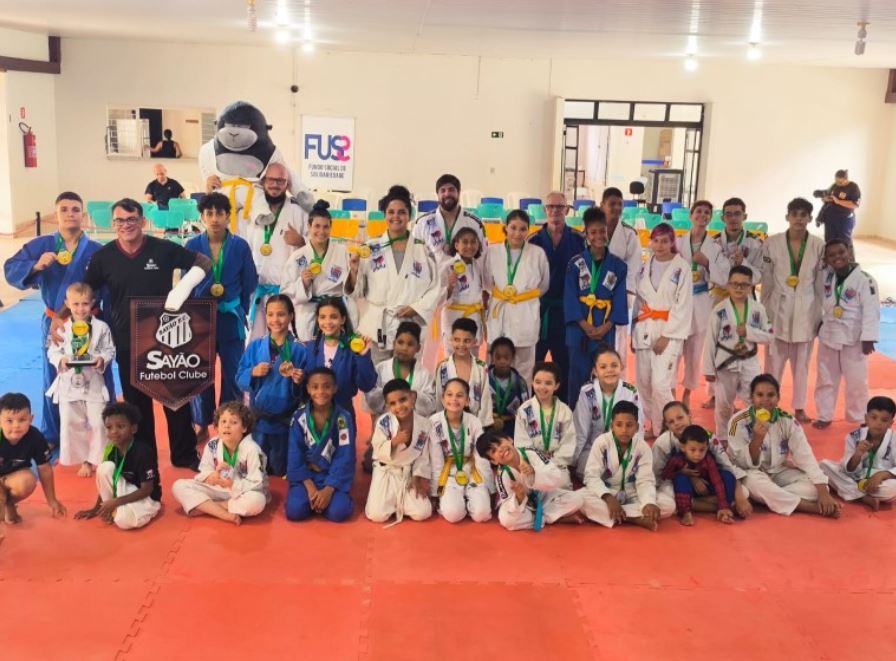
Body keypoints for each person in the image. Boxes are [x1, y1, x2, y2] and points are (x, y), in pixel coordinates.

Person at [58, 198, 211, 469]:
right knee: (136, 405)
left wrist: (182, 289)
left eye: (131, 219)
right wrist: (59, 317)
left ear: (142, 221)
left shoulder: (163, 248)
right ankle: (143, 457)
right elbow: (85, 293)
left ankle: (185, 454)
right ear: (113, 223)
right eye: (120, 220)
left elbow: (204, 262)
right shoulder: (103, 257)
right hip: (126, 339)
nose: (125, 225)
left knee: (175, 399)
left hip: (165, 336)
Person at [4, 191, 110, 457]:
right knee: (55, 375)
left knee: (99, 372)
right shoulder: (42, 245)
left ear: (83, 215)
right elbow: (11, 266)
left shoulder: (96, 250)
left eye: (75, 209)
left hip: (92, 321)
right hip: (55, 322)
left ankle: (107, 429)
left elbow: (110, 284)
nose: (70, 214)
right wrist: (35, 266)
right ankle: (52, 434)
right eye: (64, 209)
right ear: (56, 214)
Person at [185, 193, 257, 441]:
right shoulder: (192, 245)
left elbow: (249, 282)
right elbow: (185, 283)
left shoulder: (240, 246)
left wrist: (240, 309)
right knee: (200, 374)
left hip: (229, 317)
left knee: (232, 373)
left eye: (219, 213)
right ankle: (202, 424)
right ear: (202, 217)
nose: (214, 218)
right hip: (201, 318)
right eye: (209, 213)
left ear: (228, 216)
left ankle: (231, 423)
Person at [347, 186, 441, 364]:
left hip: (409, 326)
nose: (396, 217)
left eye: (401, 212)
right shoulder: (371, 247)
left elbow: (435, 287)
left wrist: (417, 307)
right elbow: (358, 291)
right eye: (391, 212)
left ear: (409, 216)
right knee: (375, 377)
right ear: (384, 215)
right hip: (376, 327)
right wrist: (354, 270)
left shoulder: (422, 249)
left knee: (406, 376)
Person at [728, 374, 840, 518]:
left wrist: (823, 493)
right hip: (751, 473)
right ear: (752, 397)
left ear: (778, 398)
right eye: (760, 395)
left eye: (771, 395)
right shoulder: (738, 422)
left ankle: (766, 498)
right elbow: (739, 463)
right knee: (754, 483)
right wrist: (757, 439)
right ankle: (809, 507)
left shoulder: (787, 421)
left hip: (779, 471)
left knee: (816, 488)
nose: (765, 400)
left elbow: (805, 456)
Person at [759, 198, 825, 422]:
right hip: (777, 307)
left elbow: (820, 283)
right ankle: (767, 405)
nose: (799, 218)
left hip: (806, 309)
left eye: (803, 214)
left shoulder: (818, 245)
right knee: (772, 364)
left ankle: (799, 407)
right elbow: (767, 279)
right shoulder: (772, 242)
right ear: (787, 217)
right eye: (795, 214)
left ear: (810, 218)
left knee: (802, 366)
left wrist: (820, 314)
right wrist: (764, 312)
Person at [46, 283, 116, 477]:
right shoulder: (61, 328)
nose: (80, 308)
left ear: (92, 303)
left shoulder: (101, 327)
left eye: (85, 303)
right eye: (75, 304)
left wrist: (102, 359)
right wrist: (61, 360)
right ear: (67, 303)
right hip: (69, 383)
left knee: (99, 422)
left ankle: (97, 460)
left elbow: (109, 350)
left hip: (93, 381)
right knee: (71, 422)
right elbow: (52, 351)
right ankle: (83, 460)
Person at [632, 223, 692, 437]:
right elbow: (639, 301)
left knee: (660, 385)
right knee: (644, 383)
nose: (660, 245)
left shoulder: (682, 268)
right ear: (650, 242)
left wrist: (667, 336)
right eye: (656, 240)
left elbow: (683, 305)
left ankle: (674, 427)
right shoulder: (645, 266)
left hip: (669, 330)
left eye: (665, 241)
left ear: (672, 242)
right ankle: (655, 425)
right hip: (644, 328)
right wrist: (633, 332)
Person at [563, 207, 629, 403]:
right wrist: (585, 325)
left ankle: (603, 415)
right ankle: (575, 417)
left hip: (604, 328)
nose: (598, 236)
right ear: (586, 234)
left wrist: (606, 327)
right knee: (577, 376)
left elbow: (620, 300)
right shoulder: (575, 264)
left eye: (602, 231)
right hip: (579, 329)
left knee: (605, 376)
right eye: (593, 232)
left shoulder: (618, 266)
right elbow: (569, 297)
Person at [236, 294, 306, 477]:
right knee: (257, 469)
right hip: (259, 421)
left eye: (281, 314)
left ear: (291, 316)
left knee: (280, 470)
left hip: (285, 423)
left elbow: (307, 391)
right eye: (271, 314)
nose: (275, 320)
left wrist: (299, 381)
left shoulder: (299, 350)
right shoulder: (255, 346)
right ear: (265, 316)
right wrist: (252, 372)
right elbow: (239, 377)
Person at [813, 239, 880, 429]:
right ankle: (824, 415)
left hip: (854, 337)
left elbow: (871, 310)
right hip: (829, 334)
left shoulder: (865, 280)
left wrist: (869, 337)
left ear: (849, 251)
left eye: (841, 252)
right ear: (827, 259)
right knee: (825, 378)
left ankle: (859, 416)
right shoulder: (827, 277)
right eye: (831, 255)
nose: (837, 257)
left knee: (856, 380)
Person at [704, 265, 774, 444]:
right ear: (728, 285)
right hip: (725, 362)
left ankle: (756, 436)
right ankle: (723, 437)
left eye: (744, 285)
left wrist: (749, 332)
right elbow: (710, 340)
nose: (739, 288)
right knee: (723, 404)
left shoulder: (758, 309)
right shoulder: (719, 309)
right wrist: (708, 369)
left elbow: (769, 336)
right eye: (735, 284)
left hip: (749, 360)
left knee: (756, 400)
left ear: (751, 287)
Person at [581, 400, 673, 531]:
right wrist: (608, 498)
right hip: (607, 491)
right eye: (619, 425)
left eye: (629, 425)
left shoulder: (642, 448)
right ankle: (635, 519)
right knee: (581, 500)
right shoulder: (602, 443)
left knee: (668, 505)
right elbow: (591, 476)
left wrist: (648, 502)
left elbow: (645, 480)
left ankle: (618, 515)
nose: (624, 430)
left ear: (637, 427)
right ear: (612, 426)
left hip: (632, 492)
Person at [171, 402, 269, 525]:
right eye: (223, 422)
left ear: (244, 428)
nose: (227, 426)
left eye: (234, 422)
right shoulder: (213, 444)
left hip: (241, 492)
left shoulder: (252, 449)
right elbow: (205, 470)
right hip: (218, 489)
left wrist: (233, 484)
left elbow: (257, 483)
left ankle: (208, 507)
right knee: (178, 486)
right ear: (217, 427)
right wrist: (212, 475)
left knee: (257, 502)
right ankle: (224, 513)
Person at [529, 191, 585, 401]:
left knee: (564, 365)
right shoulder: (533, 240)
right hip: (539, 311)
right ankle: (533, 407)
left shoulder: (579, 240)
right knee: (534, 363)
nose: (555, 211)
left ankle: (562, 409)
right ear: (545, 210)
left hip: (567, 313)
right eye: (551, 207)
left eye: (560, 207)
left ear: (567, 210)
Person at [652, 401, 752, 519]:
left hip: (706, 480)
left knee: (744, 491)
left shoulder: (707, 436)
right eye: (671, 421)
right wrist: (688, 476)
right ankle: (717, 505)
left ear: (689, 415)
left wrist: (740, 497)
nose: (677, 423)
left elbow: (726, 466)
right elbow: (659, 477)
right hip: (678, 482)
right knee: (669, 497)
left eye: (680, 418)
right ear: (667, 425)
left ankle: (695, 503)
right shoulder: (662, 444)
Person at [246, 162, 310, 340]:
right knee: (258, 344)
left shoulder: (299, 211)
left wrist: (301, 241)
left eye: (280, 181)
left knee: (286, 343)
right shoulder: (253, 210)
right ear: (263, 181)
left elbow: (317, 246)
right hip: (258, 291)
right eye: (271, 180)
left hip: (287, 292)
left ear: (287, 184)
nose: (275, 185)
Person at [484, 209, 549, 382]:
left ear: (528, 230)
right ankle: (494, 397)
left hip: (526, 311)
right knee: (495, 363)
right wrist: (502, 294)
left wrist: (522, 297)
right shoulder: (492, 251)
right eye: (513, 228)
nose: (517, 233)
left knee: (524, 367)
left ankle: (523, 398)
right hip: (500, 310)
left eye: (522, 229)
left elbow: (544, 284)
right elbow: (486, 281)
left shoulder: (537, 253)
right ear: (506, 227)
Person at [73, 402, 161, 530]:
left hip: (147, 497)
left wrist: (116, 502)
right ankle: (111, 510)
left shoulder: (143, 452)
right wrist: (96, 509)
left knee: (122, 521)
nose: (114, 431)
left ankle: (150, 510)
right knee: (104, 468)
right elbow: (105, 481)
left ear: (133, 428)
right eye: (109, 427)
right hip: (125, 491)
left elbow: (147, 489)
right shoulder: (111, 450)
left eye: (120, 426)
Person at [285, 367, 356, 523]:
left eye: (327, 386)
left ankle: (329, 499)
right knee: (295, 511)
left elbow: (345, 456)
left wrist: (328, 490)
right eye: (315, 387)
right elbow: (295, 453)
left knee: (338, 512)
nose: (321, 391)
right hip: (306, 477)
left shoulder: (343, 418)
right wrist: (311, 488)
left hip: (331, 475)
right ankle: (315, 501)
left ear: (335, 388)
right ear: (308, 389)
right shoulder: (299, 417)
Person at [281, 200, 358, 341]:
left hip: (335, 313)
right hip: (309, 314)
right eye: (317, 226)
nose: (321, 231)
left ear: (331, 228)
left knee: (337, 350)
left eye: (325, 227)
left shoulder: (342, 252)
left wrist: (354, 271)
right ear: (309, 226)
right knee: (310, 351)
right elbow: (285, 291)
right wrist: (303, 283)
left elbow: (351, 289)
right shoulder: (298, 256)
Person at [477, 431, 585, 531]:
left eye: (499, 443)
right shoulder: (502, 475)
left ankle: (540, 518)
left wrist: (534, 472)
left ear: (510, 439)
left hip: (545, 497)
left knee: (577, 499)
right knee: (506, 519)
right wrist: (519, 498)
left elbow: (555, 475)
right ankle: (553, 518)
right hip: (527, 508)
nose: (500, 449)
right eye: (494, 451)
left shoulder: (531, 452)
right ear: (493, 461)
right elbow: (507, 504)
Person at [365, 379, 433, 524]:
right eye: (393, 403)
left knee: (423, 512)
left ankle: (398, 502)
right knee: (376, 515)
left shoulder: (425, 424)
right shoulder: (383, 422)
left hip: (408, 473)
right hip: (386, 471)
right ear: (387, 405)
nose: (399, 406)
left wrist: (417, 477)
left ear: (412, 397)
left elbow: (423, 456)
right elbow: (377, 449)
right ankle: (394, 502)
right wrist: (394, 441)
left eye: (403, 400)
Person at [0, 393, 66, 541]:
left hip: (13, 478)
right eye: (9, 421)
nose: (16, 425)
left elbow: (44, 468)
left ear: (31, 419)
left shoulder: (35, 437)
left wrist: (52, 500)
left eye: (22, 420)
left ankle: (9, 505)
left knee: (28, 481)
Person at [428, 378, 493, 523]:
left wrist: (490, 488)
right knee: (453, 515)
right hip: (448, 473)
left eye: (459, 395)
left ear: (467, 400)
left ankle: (469, 498)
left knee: (482, 514)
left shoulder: (474, 422)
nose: (454, 399)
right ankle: (457, 500)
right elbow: (436, 461)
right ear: (442, 399)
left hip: (472, 470)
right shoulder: (434, 422)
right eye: (449, 394)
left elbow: (481, 456)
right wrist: (435, 492)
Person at [572, 346, 642, 481]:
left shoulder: (631, 392)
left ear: (621, 367)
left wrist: (636, 454)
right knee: (585, 469)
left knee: (634, 470)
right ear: (595, 371)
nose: (609, 370)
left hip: (623, 447)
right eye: (603, 367)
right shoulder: (587, 392)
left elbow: (638, 428)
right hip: (594, 447)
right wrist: (573, 461)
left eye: (614, 365)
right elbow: (580, 430)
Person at [820, 396, 896, 510]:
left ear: (891, 423)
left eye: (884, 420)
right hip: (856, 477)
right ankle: (863, 498)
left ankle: (850, 490)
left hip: (881, 481)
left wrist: (882, 475)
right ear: (866, 418)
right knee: (823, 465)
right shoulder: (854, 437)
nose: (878, 423)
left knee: (891, 489)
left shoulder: (894, 439)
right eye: (874, 417)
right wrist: (857, 455)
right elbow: (847, 469)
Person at [303, 297, 376, 412]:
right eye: (323, 317)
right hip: (314, 415)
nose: (327, 322)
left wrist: (363, 357)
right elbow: (305, 386)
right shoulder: (311, 347)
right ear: (318, 320)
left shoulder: (353, 349)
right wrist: (297, 378)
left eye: (333, 317)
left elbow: (367, 385)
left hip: (343, 414)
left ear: (342, 319)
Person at [675, 200, 713, 409]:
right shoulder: (678, 243)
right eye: (699, 211)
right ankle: (671, 389)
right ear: (691, 215)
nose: (702, 215)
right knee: (674, 350)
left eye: (707, 212)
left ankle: (687, 393)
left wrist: (706, 262)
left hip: (701, 300)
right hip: (679, 302)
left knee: (694, 353)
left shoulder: (714, 246)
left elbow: (721, 275)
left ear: (710, 218)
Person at [660, 425, 737, 526]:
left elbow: (716, 480)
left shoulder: (708, 459)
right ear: (683, 447)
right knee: (680, 478)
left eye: (702, 450)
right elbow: (665, 475)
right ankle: (686, 512)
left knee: (728, 476)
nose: (697, 454)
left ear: (707, 448)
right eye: (693, 450)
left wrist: (723, 506)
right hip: (689, 490)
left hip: (706, 488)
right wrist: (681, 472)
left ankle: (725, 507)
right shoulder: (677, 460)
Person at [513, 362, 576, 487]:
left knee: (562, 486)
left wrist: (549, 465)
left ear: (556, 385)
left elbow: (568, 444)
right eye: (538, 382)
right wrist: (536, 465)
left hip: (556, 465)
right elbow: (521, 443)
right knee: (524, 483)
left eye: (548, 383)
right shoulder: (524, 410)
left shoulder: (564, 411)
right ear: (532, 382)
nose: (542, 387)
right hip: (531, 465)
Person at [601, 187, 641, 366]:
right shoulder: (593, 230)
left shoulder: (629, 233)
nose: (616, 208)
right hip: (595, 293)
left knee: (619, 338)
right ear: (602, 205)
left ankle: (619, 377)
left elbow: (634, 265)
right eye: (612, 204)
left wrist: (626, 293)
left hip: (620, 292)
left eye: (620, 204)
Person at [412, 174, 486, 269]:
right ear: (437, 195)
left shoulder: (475, 223)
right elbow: (415, 256)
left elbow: (482, 258)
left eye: (451, 190)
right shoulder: (422, 223)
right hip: (433, 276)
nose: (447, 194)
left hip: (466, 275)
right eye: (443, 190)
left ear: (459, 193)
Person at [435, 318, 494, 428]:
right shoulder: (443, 367)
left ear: (474, 341)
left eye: (466, 341)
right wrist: (441, 423)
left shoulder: (481, 367)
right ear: (451, 339)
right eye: (457, 340)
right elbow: (439, 397)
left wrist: (480, 426)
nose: (461, 344)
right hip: (448, 422)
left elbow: (485, 398)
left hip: (475, 423)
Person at [706, 197, 763, 294]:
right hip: (718, 296)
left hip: (745, 296)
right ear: (722, 218)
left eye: (737, 214)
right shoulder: (712, 243)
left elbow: (760, 276)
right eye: (728, 214)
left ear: (745, 216)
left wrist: (742, 262)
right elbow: (708, 273)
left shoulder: (756, 243)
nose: (733, 218)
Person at [442, 227, 486, 351]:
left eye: (473, 242)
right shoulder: (448, 266)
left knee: (473, 355)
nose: (469, 246)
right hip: (455, 317)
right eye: (465, 242)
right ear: (456, 245)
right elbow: (439, 298)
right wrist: (450, 286)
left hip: (474, 317)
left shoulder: (478, 265)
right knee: (454, 355)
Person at [487, 337, 529, 437]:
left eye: (506, 358)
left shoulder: (520, 383)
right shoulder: (483, 379)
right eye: (498, 357)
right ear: (491, 357)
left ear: (513, 358)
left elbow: (526, 408)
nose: (502, 361)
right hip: (487, 425)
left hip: (513, 427)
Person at [817, 169, 861, 242]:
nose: (837, 184)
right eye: (836, 181)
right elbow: (829, 194)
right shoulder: (835, 185)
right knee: (829, 241)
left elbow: (855, 204)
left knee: (844, 242)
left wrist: (838, 201)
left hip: (844, 219)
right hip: (830, 218)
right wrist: (826, 199)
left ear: (846, 179)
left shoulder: (853, 187)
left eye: (840, 182)